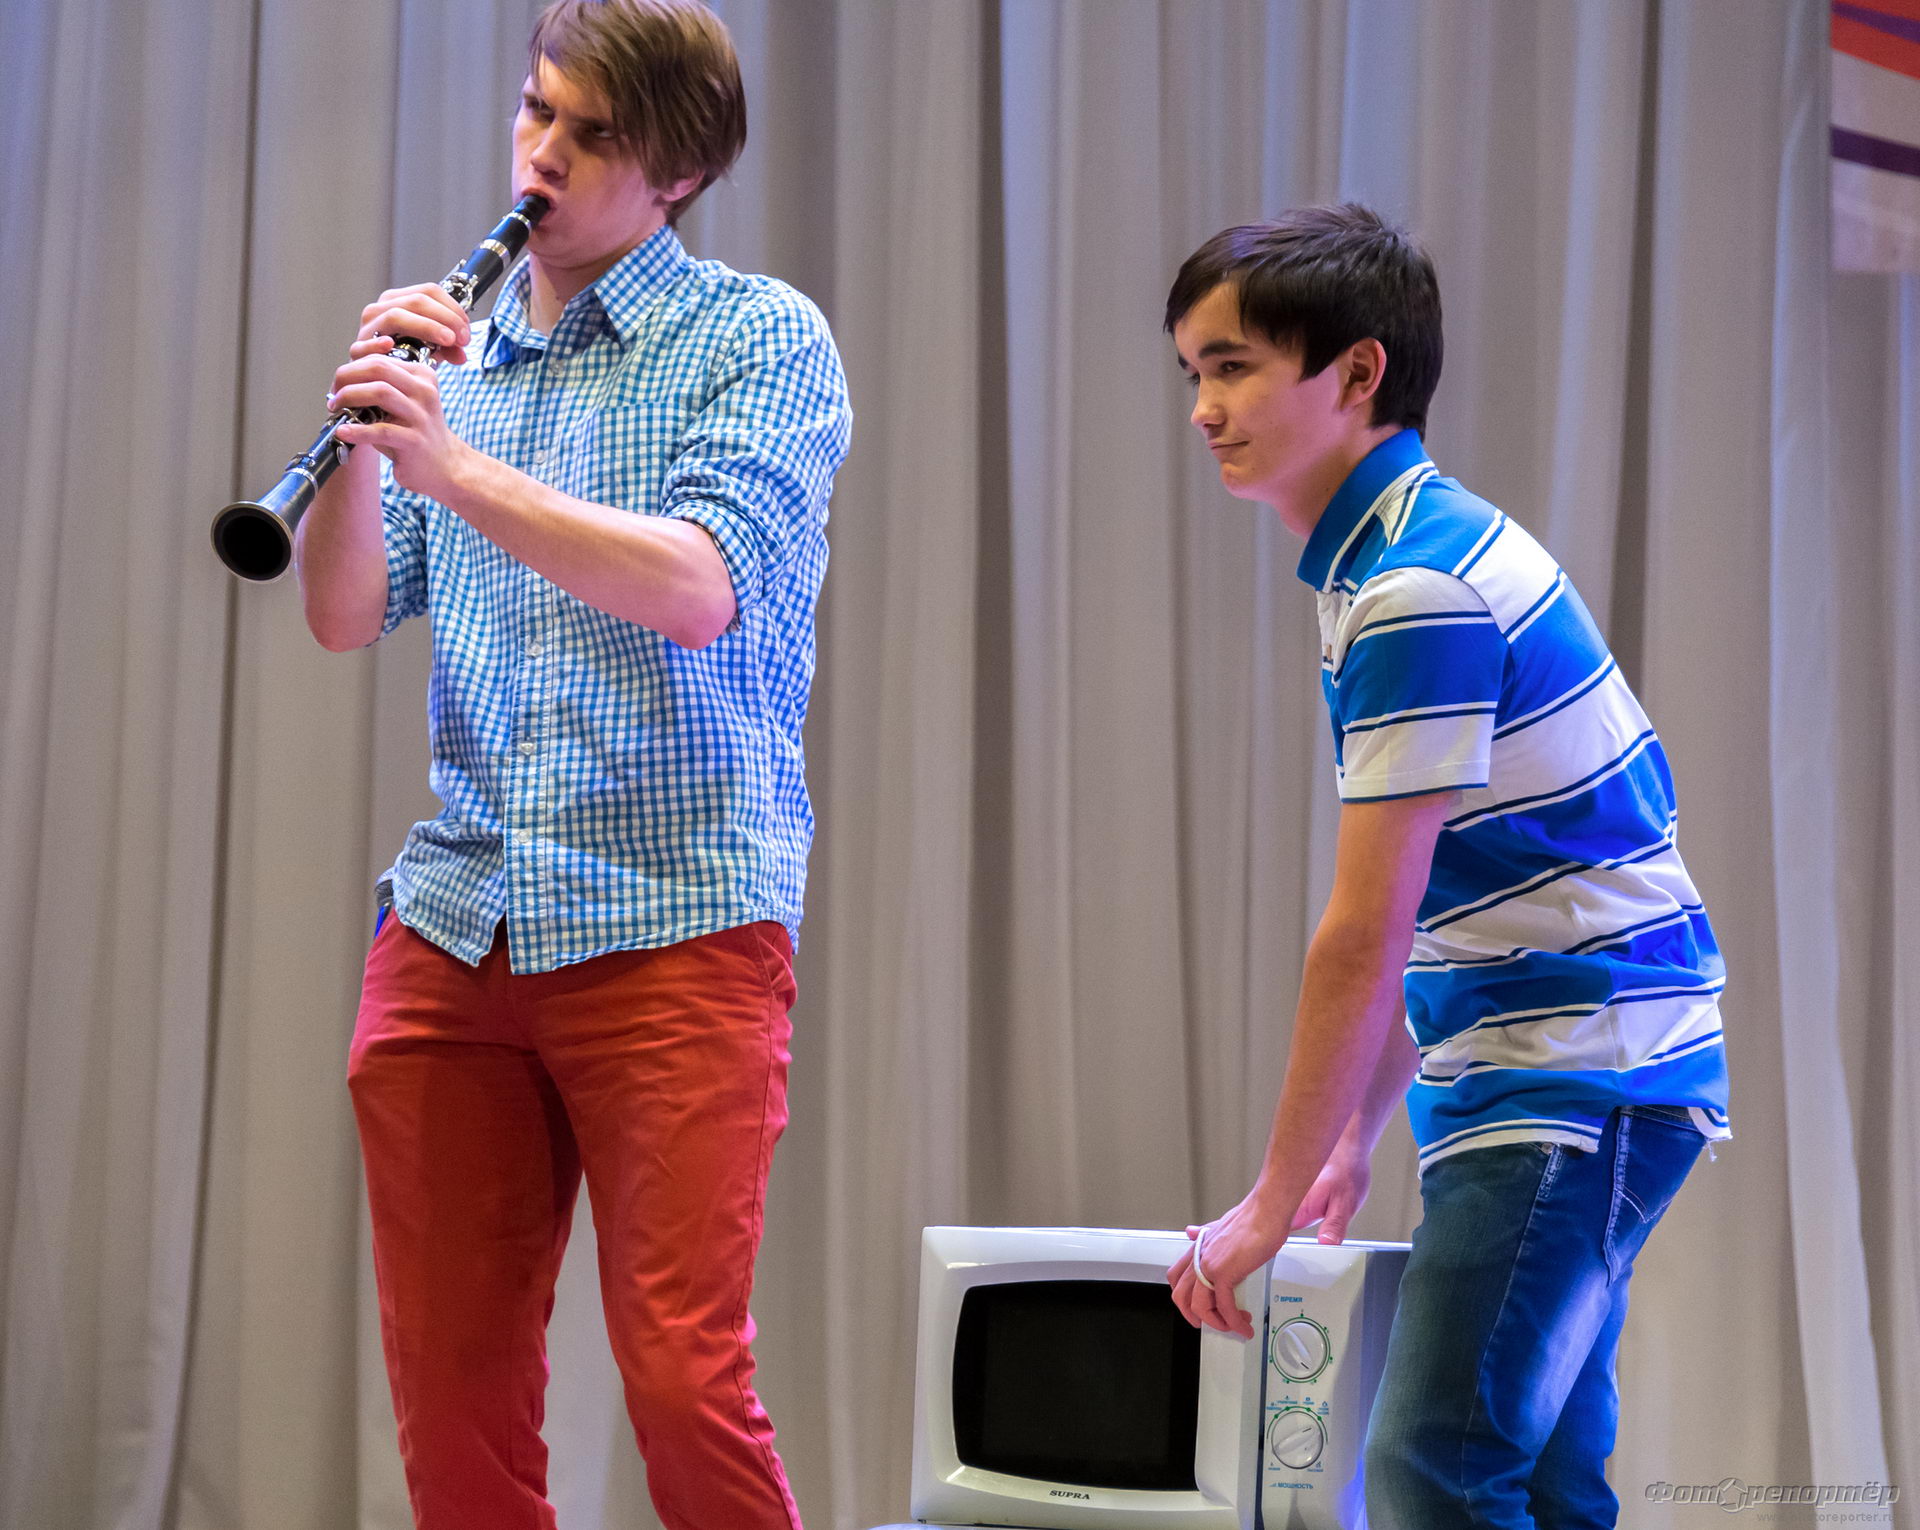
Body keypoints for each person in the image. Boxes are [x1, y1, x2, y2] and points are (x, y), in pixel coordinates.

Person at [295, 2, 850, 1526]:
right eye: (536, 110)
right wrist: (362, 447)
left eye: (591, 135)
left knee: (679, 1377)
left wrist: (457, 463)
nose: (541, 154)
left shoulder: (756, 337)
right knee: (452, 1398)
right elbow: (343, 615)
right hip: (460, 915)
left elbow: (698, 583)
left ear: (678, 173)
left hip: (676, 913)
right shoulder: (459, 359)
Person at [1162, 204, 1729, 1527]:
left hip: (1577, 1071)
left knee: (1434, 1470)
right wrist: (1350, 1135)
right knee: (1537, 1475)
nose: (1204, 409)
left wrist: (1269, 1202)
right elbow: (1452, 908)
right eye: (1193, 372)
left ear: (1358, 373)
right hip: (1578, 1064)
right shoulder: (1397, 558)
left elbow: (1365, 929)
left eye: (1233, 366)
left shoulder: (1418, 589)